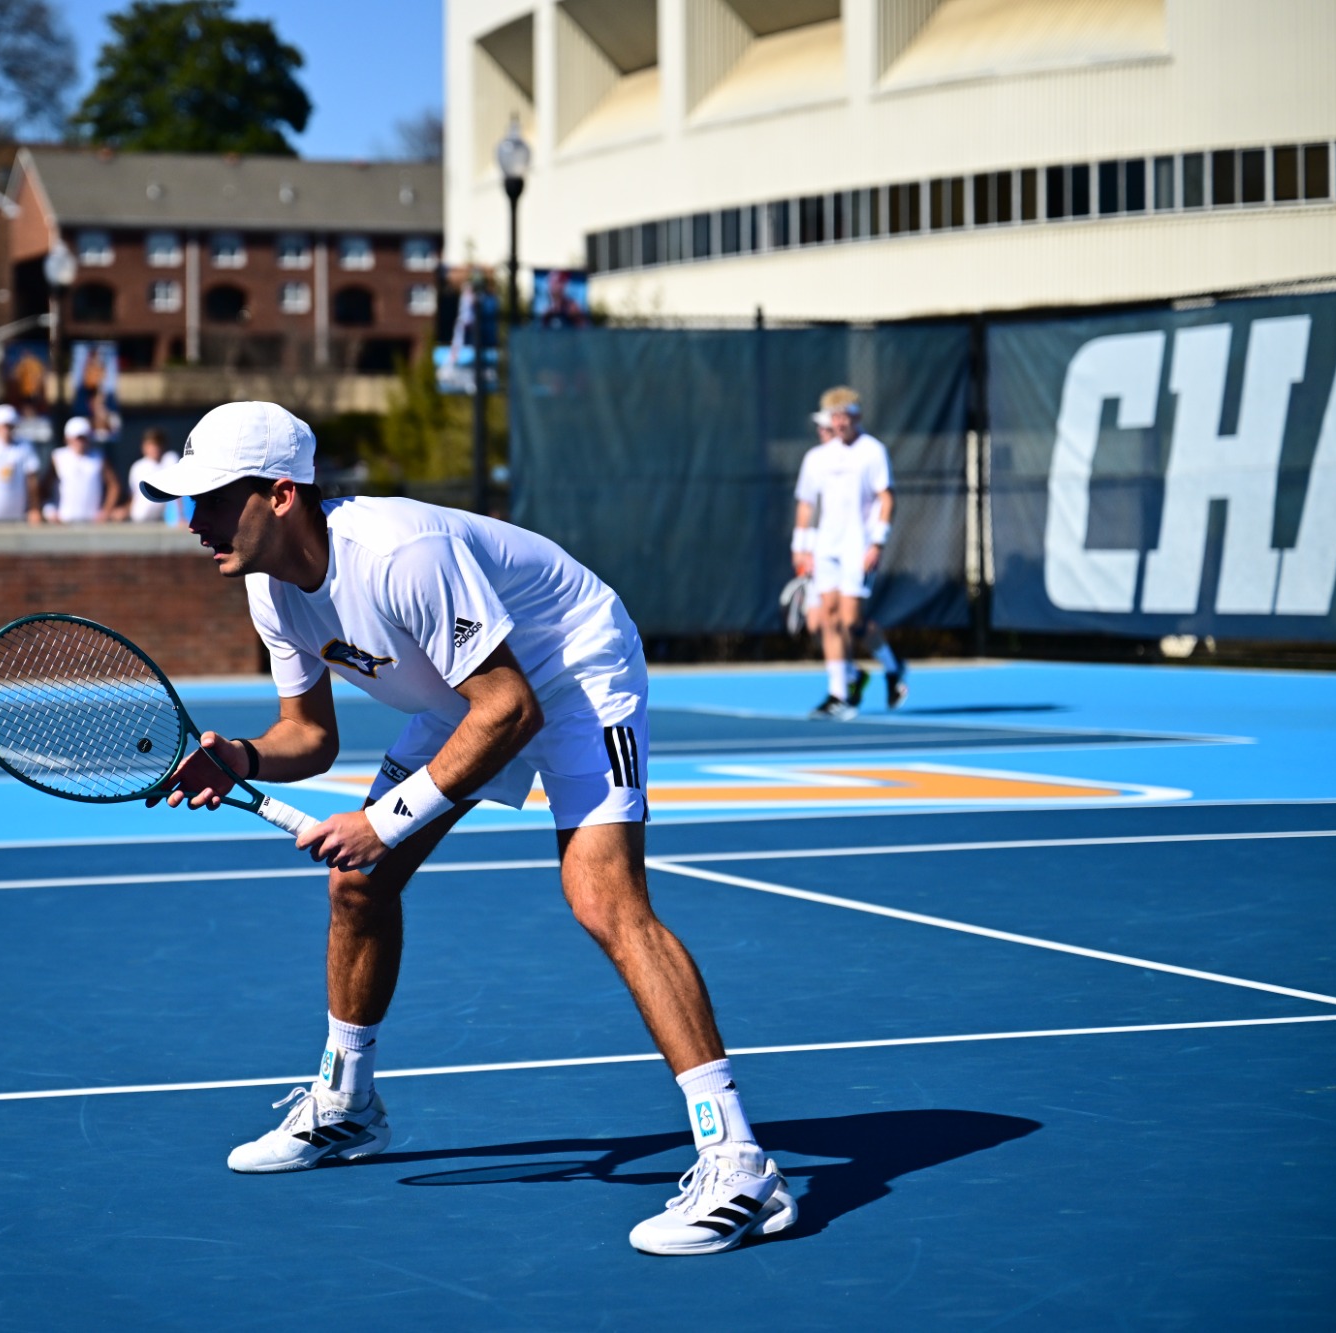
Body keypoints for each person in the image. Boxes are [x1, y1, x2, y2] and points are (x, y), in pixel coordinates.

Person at [143, 401, 796, 1258]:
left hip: (571, 670)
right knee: (357, 883)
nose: (192, 522)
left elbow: (515, 706)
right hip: (475, 691)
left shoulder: (401, 555)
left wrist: (386, 818)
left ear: (280, 494)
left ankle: (740, 1162)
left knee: (603, 898)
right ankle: (347, 1107)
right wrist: (240, 757)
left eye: (212, 500)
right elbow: (311, 734)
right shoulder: (273, 591)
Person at [791, 387, 907, 718]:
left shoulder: (872, 452)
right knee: (827, 619)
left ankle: (891, 667)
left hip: (858, 548)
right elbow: (807, 504)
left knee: (851, 620)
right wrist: (801, 549)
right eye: (834, 417)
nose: (839, 423)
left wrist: (877, 542)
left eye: (844, 416)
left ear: (855, 416)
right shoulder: (818, 457)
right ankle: (839, 693)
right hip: (826, 548)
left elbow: (886, 498)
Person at [48, 415, 122, 523]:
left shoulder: (98, 457)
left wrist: (106, 511)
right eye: (77, 438)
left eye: (84, 438)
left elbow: (114, 485)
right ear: (68, 438)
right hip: (63, 522)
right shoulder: (58, 457)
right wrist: (49, 510)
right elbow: (44, 488)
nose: (80, 442)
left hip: (92, 523)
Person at [127, 428, 176, 523]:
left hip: (163, 520)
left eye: (158, 444)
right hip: (139, 520)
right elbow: (133, 495)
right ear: (143, 447)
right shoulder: (137, 467)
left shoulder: (171, 459)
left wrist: (180, 515)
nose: (155, 448)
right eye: (150, 445)